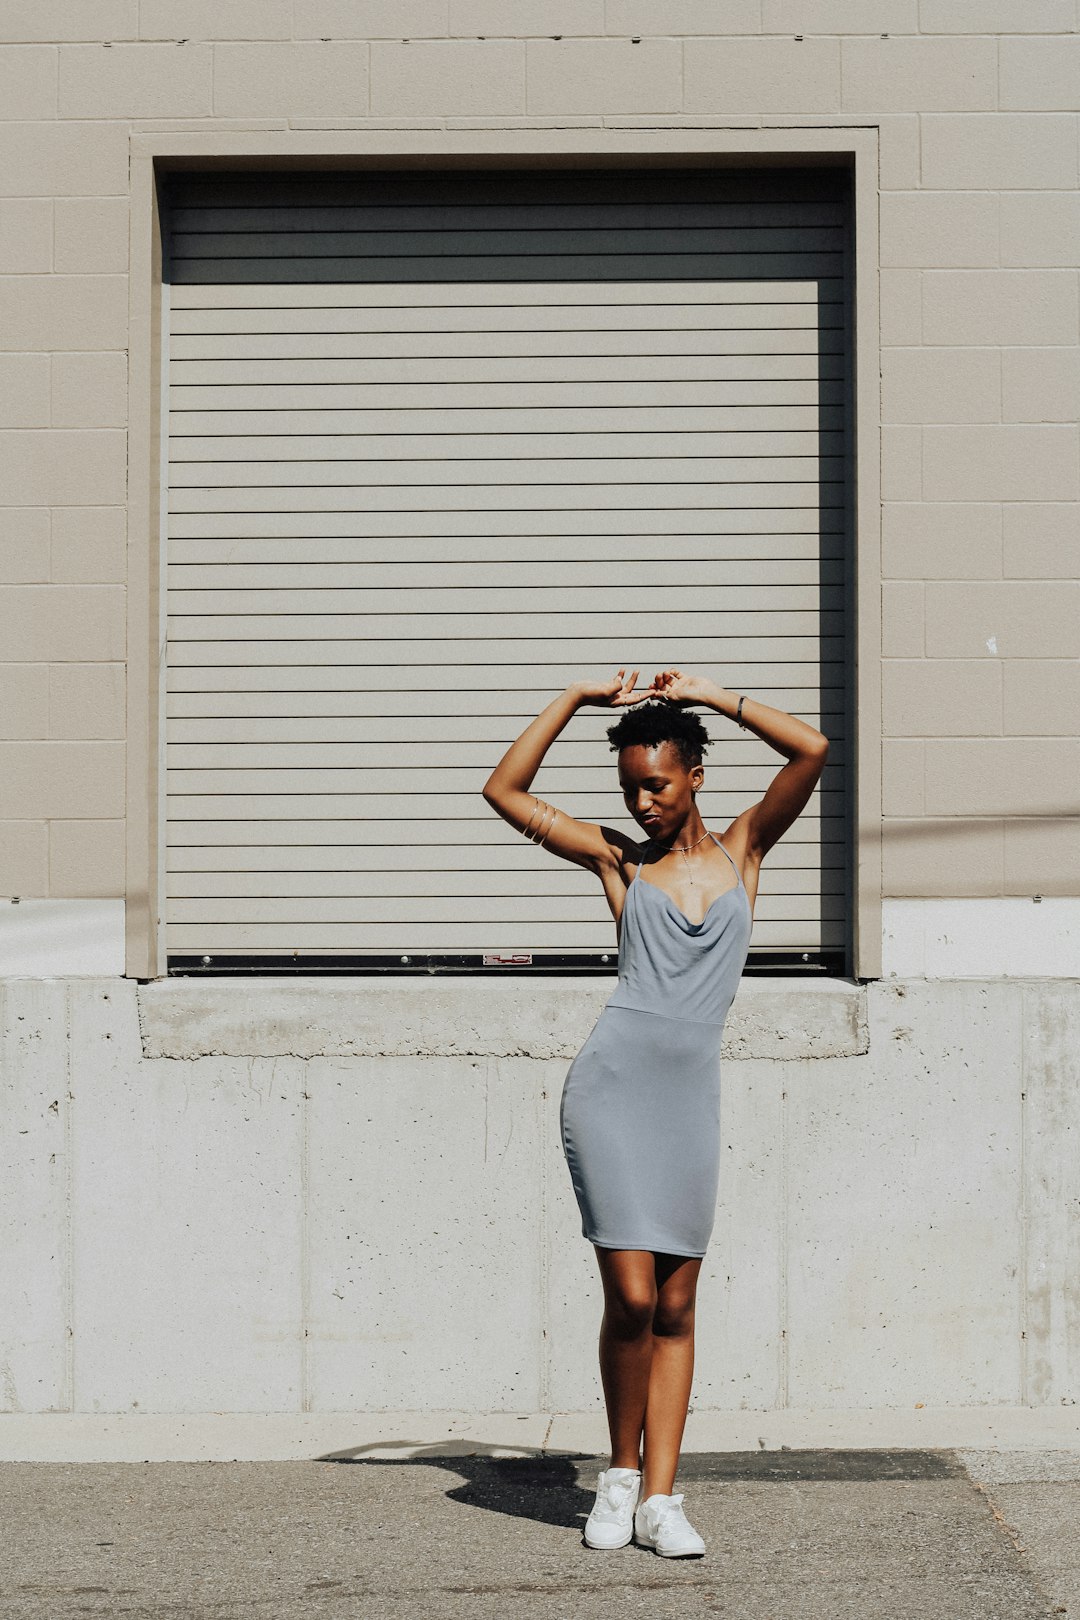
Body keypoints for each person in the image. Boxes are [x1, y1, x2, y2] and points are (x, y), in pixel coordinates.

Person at [481, 666, 829, 1558]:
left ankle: (662, 1500)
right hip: (614, 1087)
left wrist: (710, 696)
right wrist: (571, 699)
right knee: (631, 1297)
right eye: (630, 786)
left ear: (696, 777)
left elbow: (812, 748)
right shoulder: (617, 860)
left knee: (677, 1306)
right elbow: (503, 790)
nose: (641, 802)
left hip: (688, 1095)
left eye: (657, 784)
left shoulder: (745, 848)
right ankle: (618, 1476)